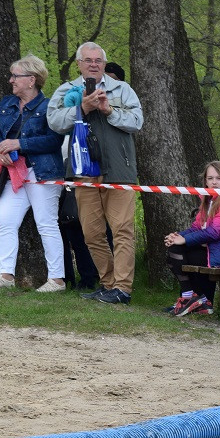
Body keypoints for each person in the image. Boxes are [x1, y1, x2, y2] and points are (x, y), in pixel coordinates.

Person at [47, 41, 143, 305]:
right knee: (91, 232)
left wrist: (108, 110)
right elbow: (54, 122)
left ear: (103, 64)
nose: (93, 64)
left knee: (122, 230)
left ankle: (122, 288)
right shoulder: (67, 90)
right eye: (87, 60)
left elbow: (137, 122)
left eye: (98, 61)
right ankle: (108, 282)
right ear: (79, 63)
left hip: (119, 170)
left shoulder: (123, 90)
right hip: (83, 170)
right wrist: (83, 108)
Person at [0, 54, 66, 292]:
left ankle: (57, 280)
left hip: (44, 173)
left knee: (46, 224)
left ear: (31, 80)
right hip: (14, 173)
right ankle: (5, 275)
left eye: (15, 76)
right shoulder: (6, 103)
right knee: (6, 221)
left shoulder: (50, 106)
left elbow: (53, 139)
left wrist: (19, 145)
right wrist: (0, 149)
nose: (11, 80)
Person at [164, 161, 220, 315]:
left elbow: (214, 232)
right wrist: (178, 235)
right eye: (210, 178)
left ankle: (192, 298)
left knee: (184, 251)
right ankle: (195, 299)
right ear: (205, 181)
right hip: (212, 249)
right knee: (175, 248)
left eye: (218, 178)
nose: (214, 182)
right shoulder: (208, 200)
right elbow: (196, 227)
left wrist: (184, 240)